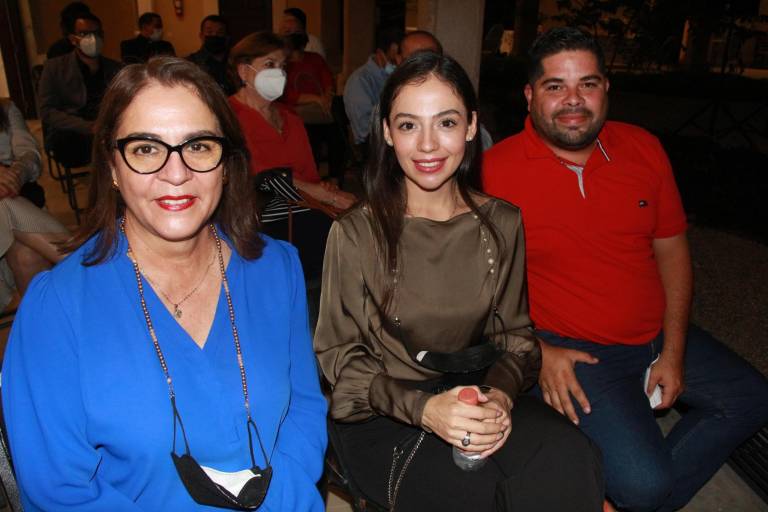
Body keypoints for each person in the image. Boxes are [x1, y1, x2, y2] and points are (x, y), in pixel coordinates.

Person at [2, 57, 327, 511]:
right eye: (146, 148)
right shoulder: (56, 308)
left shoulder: (278, 270)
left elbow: (303, 411)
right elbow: (61, 491)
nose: (176, 173)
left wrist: (285, 500)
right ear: (112, 166)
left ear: (227, 163)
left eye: (198, 146)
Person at [482, 27, 768, 512]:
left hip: (655, 334)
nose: (573, 101)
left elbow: (672, 251)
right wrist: (539, 349)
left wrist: (673, 349)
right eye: (555, 87)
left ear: (606, 88)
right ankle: (622, 492)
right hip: (580, 354)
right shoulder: (493, 170)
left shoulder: (643, 149)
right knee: (645, 486)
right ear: (530, 96)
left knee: (751, 399)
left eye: (587, 84)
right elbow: (477, 287)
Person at [314, 51, 604, 512]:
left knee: (567, 459)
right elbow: (341, 360)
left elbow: (515, 338)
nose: (428, 145)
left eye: (445, 123)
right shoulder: (356, 232)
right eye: (409, 125)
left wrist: (499, 396)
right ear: (387, 133)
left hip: (479, 387)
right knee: (473, 493)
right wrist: (426, 410)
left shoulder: (501, 222)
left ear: (471, 127)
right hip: (387, 408)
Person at [228, 32, 355, 282]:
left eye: (282, 66)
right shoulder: (228, 117)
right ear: (244, 71)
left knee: (355, 222)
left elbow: (309, 175)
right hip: (257, 208)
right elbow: (255, 176)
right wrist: (323, 194)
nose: (280, 73)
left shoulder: (291, 119)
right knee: (330, 232)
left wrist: (324, 189)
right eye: (269, 65)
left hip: (301, 203)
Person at [0, 99, 68, 307]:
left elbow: (29, 154)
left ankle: (45, 332)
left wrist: (15, 174)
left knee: (26, 254)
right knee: (6, 206)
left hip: (15, 204)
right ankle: (87, 265)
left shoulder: (5, 108)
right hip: (14, 209)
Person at [39, 11, 121, 168]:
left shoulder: (114, 68)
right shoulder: (54, 67)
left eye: (96, 33)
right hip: (73, 130)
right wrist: (88, 126)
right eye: (84, 33)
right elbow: (47, 111)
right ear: (72, 39)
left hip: (106, 127)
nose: (92, 38)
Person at [281, 26, 347, 188]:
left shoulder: (315, 58)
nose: (293, 35)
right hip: (298, 114)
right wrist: (316, 99)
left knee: (338, 134)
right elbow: (286, 94)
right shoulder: (283, 64)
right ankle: (313, 182)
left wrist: (326, 97)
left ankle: (335, 179)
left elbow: (327, 80)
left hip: (322, 111)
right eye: (289, 31)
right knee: (310, 142)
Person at [343, 27, 402, 153]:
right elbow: (365, 128)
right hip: (372, 145)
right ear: (380, 54)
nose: (397, 65)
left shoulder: (396, 77)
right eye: (393, 61)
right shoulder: (360, 81)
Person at [187, 15, 235, 95]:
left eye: (220, 32)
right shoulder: (191, 63)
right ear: (201, 36)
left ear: (227, 37)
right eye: (209, 32)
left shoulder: (236, 62)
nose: (214, 35)